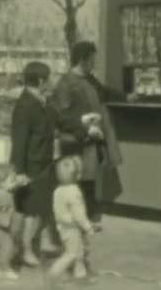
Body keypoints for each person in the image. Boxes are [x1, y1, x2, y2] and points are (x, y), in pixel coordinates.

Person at [51, 41, 136, 229]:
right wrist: (84, 129)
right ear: (82, 59)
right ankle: (77, 219)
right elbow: (62, 117)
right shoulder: (65, 84)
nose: (94, 63)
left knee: (87, 180)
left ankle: (85, 218)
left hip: (90, 140)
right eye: (92, 59)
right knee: (76, 181)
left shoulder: (89, 79)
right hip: (76, 141)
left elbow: (105, 91)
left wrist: (126, 97)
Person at [9, 61, 59, 267]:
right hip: (31, 165)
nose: (52, 81)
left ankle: (45, 242)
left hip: (43, 160)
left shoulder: (40, 101)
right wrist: (19, 171)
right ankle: (27, 250)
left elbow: (53, 120)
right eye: (50, 77)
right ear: (41, 81)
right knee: (32, 211)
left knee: (44, 204)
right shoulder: (25, 106)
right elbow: (19, 141)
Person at [48, 156, 96, 284]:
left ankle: (80, 276)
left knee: (78, 252)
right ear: (78, 175)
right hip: (72, 228)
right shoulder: (74, 192)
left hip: (62, 226)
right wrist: (88, 227)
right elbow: (78, 215)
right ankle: (54, 273)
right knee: (72, 253)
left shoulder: (58, 190)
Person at [0, 163, 30, 280]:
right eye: (12, 181)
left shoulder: (2, 190)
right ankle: (4, 268)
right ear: (1, 183)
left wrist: (20, 181)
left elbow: (12, 184)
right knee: (8, 244)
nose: (14, 184)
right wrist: (3, 221)